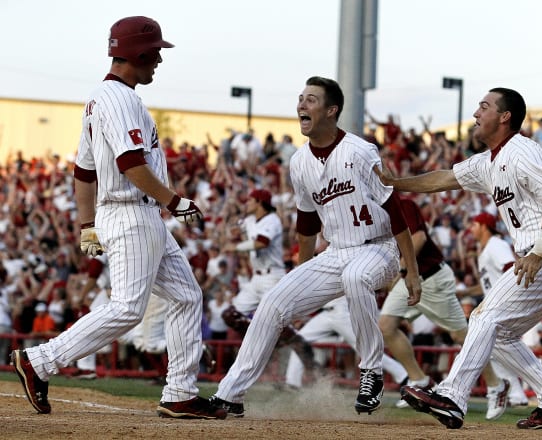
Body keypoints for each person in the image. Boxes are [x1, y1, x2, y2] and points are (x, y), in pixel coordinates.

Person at [10, 16, 225, 419]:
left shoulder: (99, 99)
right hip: (132, 213)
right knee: (127, 307)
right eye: (156, 52)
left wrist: (87, 224)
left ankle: (180, 392)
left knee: (186, 296)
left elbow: (84, 171)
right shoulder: (121, 99)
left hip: (131, 215)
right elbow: (131, 165)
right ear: (138, 52)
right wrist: (174, 201)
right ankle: (40, 361)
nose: (159, 59)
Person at [208, 76, 421, 417]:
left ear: (331, 111)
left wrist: (411, 270)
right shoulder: (299, 161)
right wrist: (301, 274)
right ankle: (230, 395)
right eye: (300, 99)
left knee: (356, 277)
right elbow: (306, 223)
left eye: (311, 100)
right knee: (274, 302)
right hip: (336, 252)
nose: (301, 105)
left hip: (379, 247)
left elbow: (394, 209)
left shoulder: (361, 150)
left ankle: (372, 372)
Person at [377, 87, 542, 430]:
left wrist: (538, 252)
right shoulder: (488, 161)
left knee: (484, 318)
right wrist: (396, 182)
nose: (476, 113)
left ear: (505, 117)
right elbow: (443, 178)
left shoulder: (520, 150)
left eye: (484, 106)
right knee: (499, 333)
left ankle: (451, 396)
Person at [379, 200, 512, 420]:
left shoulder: (401, 204)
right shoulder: (372, 212)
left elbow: (419, 237)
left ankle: (496, 385)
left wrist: (400, 269)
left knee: (461, 335)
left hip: (431, 278)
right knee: (385, 326)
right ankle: (419, 379)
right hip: (409, 278)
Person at [220, 188, 317, 372]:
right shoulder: (249, 220)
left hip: (272, 277)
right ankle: (267, 341)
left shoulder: (272, 219)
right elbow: (233, 228)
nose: (246, 203)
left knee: (277, 323)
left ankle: (302, 349)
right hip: (255, 278)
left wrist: (235, 246)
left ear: (259, 202)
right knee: (230, 315)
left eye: (249, 200)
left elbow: (262, 242)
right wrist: (231, 219)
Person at [459, 211, 529, 406]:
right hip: (497, 303)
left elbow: (510, 268)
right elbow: (487, 284)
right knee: (495, 349)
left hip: (505, 302)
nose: (471, 229)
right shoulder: (486, 249)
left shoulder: (496, 244)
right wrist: (463, 294)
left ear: (483, 226)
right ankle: (516, 393)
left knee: (492, 346)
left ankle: (517, 392)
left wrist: (509, 299)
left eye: (474, 224)